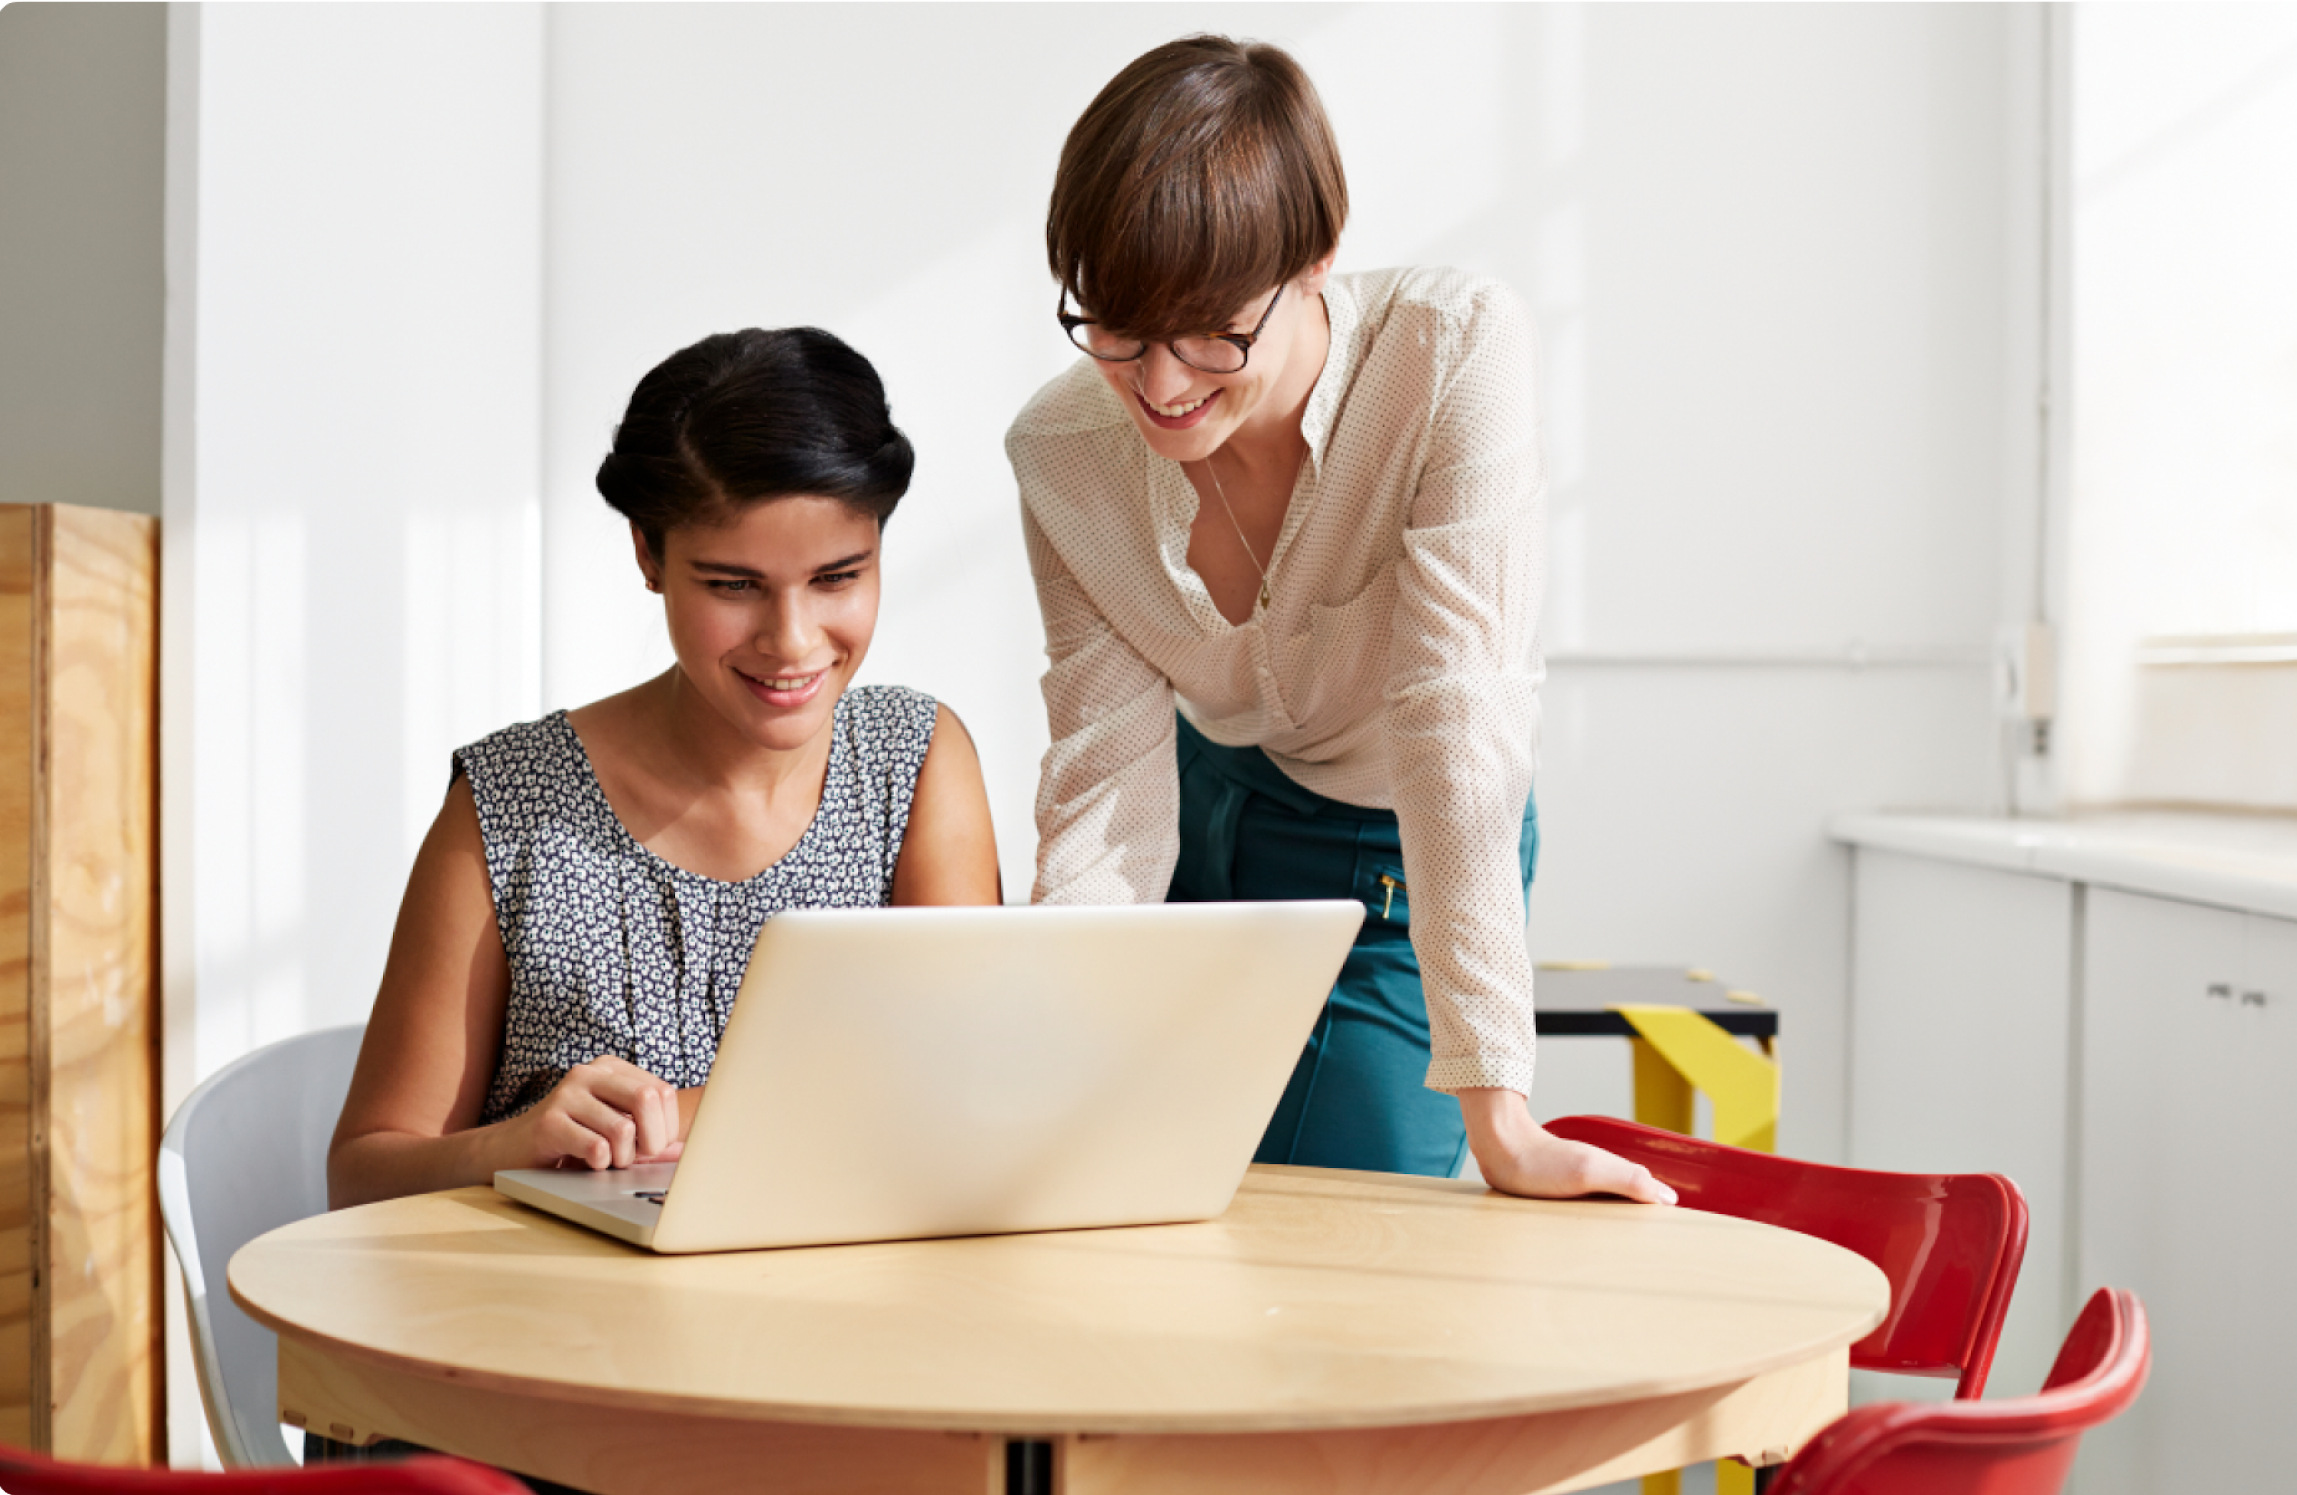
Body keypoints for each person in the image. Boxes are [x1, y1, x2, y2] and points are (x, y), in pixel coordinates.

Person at [1008, 36, 1671, 1205]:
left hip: (1394, 845)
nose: (1159, 383)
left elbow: (1456, 726)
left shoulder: (1447, 355)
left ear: (1317, 259)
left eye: (1212, 331)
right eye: (1114, 327)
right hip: (1196, 812)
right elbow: (1107, 780)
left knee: (1349, 1226)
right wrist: (1058, 1053)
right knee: (1122, 1193)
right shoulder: (1063, 454)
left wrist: (1501, 1116)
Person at [330, 327, 1000, 1210]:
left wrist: (675, 1117)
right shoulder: (509, 808)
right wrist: (514, 1145)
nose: (792, 640)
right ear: (648, 553)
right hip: (557, 1330)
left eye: (839, 577)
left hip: (842, 1320)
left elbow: (964, 1103)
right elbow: (361, 1177)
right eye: (733, 585)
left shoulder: (912, 766)